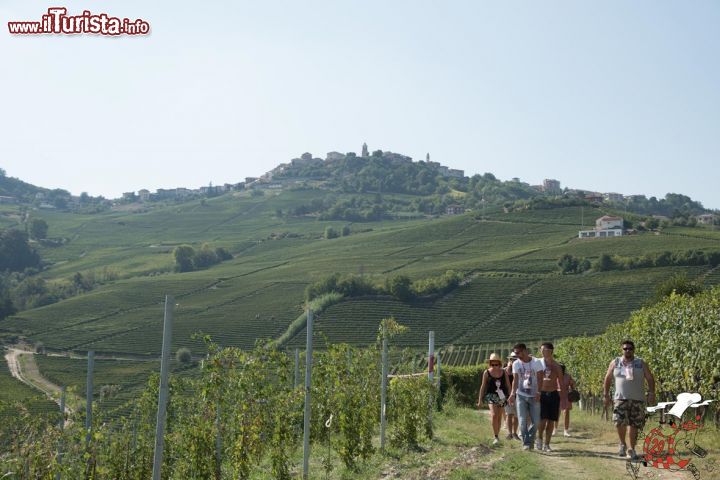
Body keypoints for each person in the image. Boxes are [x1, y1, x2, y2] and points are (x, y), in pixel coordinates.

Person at [603, 339, 656, 460]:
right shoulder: (616, 362)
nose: (627, 350)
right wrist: (605, 395)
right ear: (622, 350)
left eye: (630, 349)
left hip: (637, 399)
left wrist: (651, 392)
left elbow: (650, 378)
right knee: (619, 421)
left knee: (634, 424)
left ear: (634, 350)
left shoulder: (640, 363)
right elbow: (608, 378)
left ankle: (631, 449)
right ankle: (622, 443)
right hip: (620, 398)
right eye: (625, 348)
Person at [508, 343, 543, 450]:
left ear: (524, 351)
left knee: (536, 422)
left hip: (534, 396)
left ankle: (530, 439)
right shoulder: (516, 364)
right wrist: (512, 394)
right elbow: (515, 380)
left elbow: (540, 378)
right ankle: (526, 443)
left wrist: (538, 392)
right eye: (515, 353)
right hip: (521, 395)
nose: (517, 355)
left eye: (518, 353)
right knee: (522, 421)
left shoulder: (536, 362)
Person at [477, 353, 511, 445]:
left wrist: (511, 396)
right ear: (490, 364)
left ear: (499, 364)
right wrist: (480, 400)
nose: (494, 366)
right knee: (494, 415)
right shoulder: (486, 373)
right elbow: (483, 386)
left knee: (499, 416)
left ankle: (497, 435)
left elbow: (508, 385)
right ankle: (495, 436)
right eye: (492, 364)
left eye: (496, 364)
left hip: (501, 395)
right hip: (491, 395)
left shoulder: (504, 372)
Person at [537, 342, 565, 452]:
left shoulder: (556, 366)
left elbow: (561, 382)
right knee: (542, 420)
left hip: (553, 394)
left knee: (551, 421)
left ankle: (547, 444)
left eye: (545, 350)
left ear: (551, 351)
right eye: (542, 350)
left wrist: (563, 398)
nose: (543, 352)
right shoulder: (538, 363)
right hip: (542, 393)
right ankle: (539, 438)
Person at [504, 352, 520, 440]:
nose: (513, 361)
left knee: (517, 415)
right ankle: (510, 433)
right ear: (509, 360)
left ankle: (515, 433)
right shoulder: (505, 371)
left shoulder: (519, 369)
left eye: (515, 359)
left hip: (518, 395)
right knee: (509, 414)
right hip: (507, 395)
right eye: (512, 359)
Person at [558, 364, 576, 437]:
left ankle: (566, 430)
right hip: (556, 395)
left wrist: (572, 384)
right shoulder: (554, 375)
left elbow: (573, 385)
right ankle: (554, 429)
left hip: (566, 396)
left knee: (566, 412)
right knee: (556, 413)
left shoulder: (568, 376)